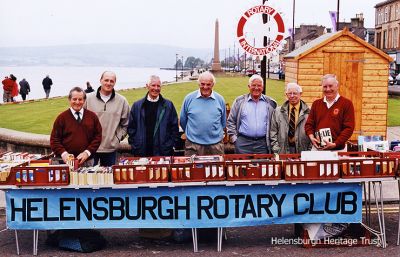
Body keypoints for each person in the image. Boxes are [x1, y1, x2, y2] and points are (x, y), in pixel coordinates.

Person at [84, 71, 130, 166]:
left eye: (111, 81)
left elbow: (126, 123)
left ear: (114, 83)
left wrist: (117, 138)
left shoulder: (122, 101)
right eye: (106, 80)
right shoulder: (87, 99)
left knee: (109, 180)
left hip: (110, 149)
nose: (108, 83)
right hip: (90, 148)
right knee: (90, 179)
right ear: (100, 80)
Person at [128, 75, 179, 156]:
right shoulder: (137, 106)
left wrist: (170, 145)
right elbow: (131, 128)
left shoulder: (168, 105)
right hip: (141, 151)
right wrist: (135, 145)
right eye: (153, 85)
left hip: (163, 152)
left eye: (158, 86)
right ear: (147, 86)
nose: (156, 88)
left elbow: (174, 128)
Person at [50, 87, 102, 166]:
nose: (77, 102)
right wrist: (64, 154)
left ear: (84, 100)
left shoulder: (92, 116)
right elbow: (54, 140)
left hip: (87, 161)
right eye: (74, 99)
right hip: (65, 162)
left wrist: (87, 152)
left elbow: (98, 137)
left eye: (80, 99)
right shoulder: (61, 117)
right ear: (69, 99)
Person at [227, 74, 277, 154]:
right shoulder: (239, 101)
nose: (256, 88)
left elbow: (275, 124)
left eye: (259, 85)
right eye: (253, 85)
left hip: (263, 144)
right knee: (242, 166)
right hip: (243, 144)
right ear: (249, 86)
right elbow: (231, 121)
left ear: (262, 88)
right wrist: (235, 139)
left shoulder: (271, 103)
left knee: (262, 166)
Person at [180, 71, 226, 156]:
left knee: (216, 169)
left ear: (213, 85)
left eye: (208, 84)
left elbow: (223, 123)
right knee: (193, 169)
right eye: (202, 84)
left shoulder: (220, 99)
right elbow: (183, 120)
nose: (205, 87)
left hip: (215, 146)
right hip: (193, 145)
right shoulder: (189, 98)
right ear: (198, 84)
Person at [305, 74, 355, 151]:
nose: (328, 89)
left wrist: (335, 144)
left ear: (337, 86)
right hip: (318, 149)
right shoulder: (316, 104)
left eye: (330, 86)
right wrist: (311, 137)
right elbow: (309, 124)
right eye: (325, 86)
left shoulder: (346, 104)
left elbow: (349, 128)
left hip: (338, 150)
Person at [270, 82, 311, 154]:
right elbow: (273, 132)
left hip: (303, 151)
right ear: (286, 95)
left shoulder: (309, 112)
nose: (292, 96)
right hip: (283, 150)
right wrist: (277, 150)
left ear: (300, 94)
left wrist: (309, 151)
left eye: (295, 93)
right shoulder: (278, 112)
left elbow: (313, 133)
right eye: (290, 93)